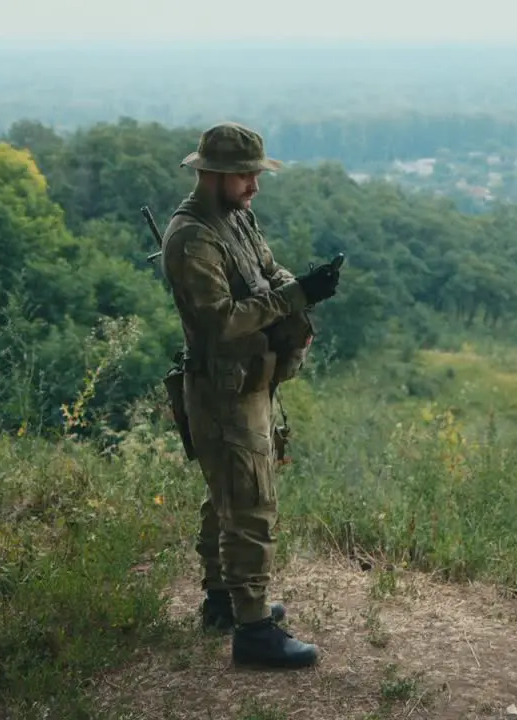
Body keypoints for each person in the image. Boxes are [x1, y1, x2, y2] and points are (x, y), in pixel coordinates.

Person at [159, 121, 340, 669]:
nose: (255, 186)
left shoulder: (235, 217)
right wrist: (292, 298)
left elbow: (266, 269)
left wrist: (296, 289)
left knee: (227, 496)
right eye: (245, 176)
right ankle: (254, 630)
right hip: (221, 389)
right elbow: (221, 323)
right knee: (250, 505)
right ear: (212, 175)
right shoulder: (192, 237)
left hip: (250, 381)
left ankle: (223, 603)